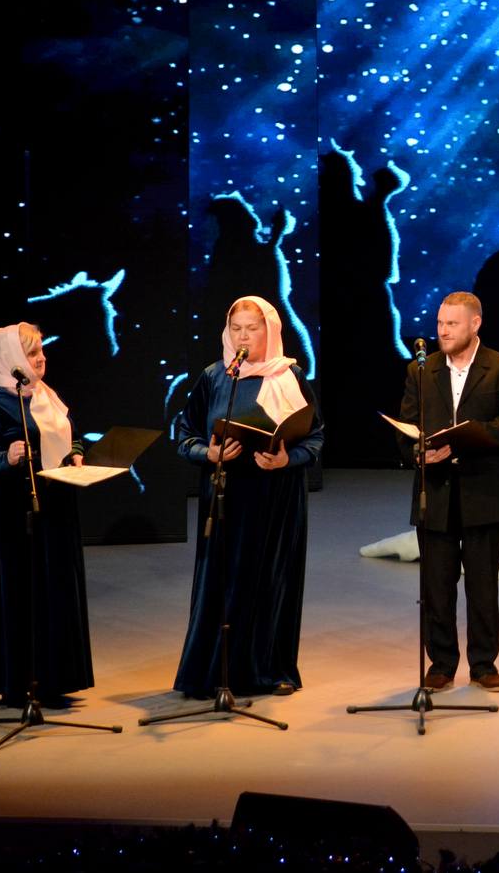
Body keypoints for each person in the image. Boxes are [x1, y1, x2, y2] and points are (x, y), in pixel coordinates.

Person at [173, 295, 323, 698]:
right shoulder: (216, 376)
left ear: (269, 331)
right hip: (227, 493)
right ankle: (214, 672)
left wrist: (289, 458)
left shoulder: (291, 376)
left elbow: (315, 436)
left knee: (272, 580)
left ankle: (271, 669)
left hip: (277, 495)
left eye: (252, 329)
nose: (243, 336)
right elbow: (184, 435)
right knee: (223, 581)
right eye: (236, 328)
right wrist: (208, 453)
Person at [398, 291, 499, 693]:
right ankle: (441, 664)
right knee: (436, 585)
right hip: (435, 491)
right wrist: (419, 452)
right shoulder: (421, 370)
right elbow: (406, 427)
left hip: (484, 490)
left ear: (475, 324)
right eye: (440, 323)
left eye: (452, 324)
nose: (443, 331)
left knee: (482, 584)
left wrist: (466, 440)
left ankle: (484, 664)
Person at [0, 323, 93, 707]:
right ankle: (24, 680)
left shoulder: (45, 395)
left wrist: (76, 454)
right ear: (10, 360)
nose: (41, 359)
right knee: (24, 594)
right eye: (32, 353)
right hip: (15, 519)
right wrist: (5, 457)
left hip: (55, 509)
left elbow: (70, 435)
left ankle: (56, 678)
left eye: (41, 351)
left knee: (55, 590)